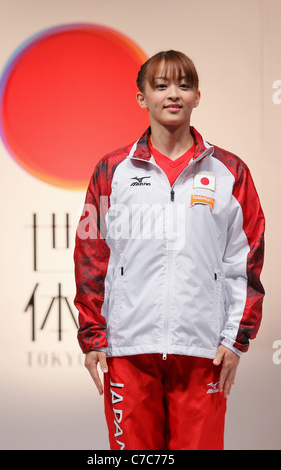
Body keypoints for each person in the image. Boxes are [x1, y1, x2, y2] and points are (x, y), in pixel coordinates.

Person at [74, 50, 265, 450]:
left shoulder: (230, 171)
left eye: (184, 85)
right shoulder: (112, 171)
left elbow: (246, 261)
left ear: (198, 96)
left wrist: (235, 339)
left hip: (202, 352)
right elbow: (92, 255)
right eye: (161, 86)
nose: (173, 94)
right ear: (142, 97)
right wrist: (94, 337)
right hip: (128, 350)